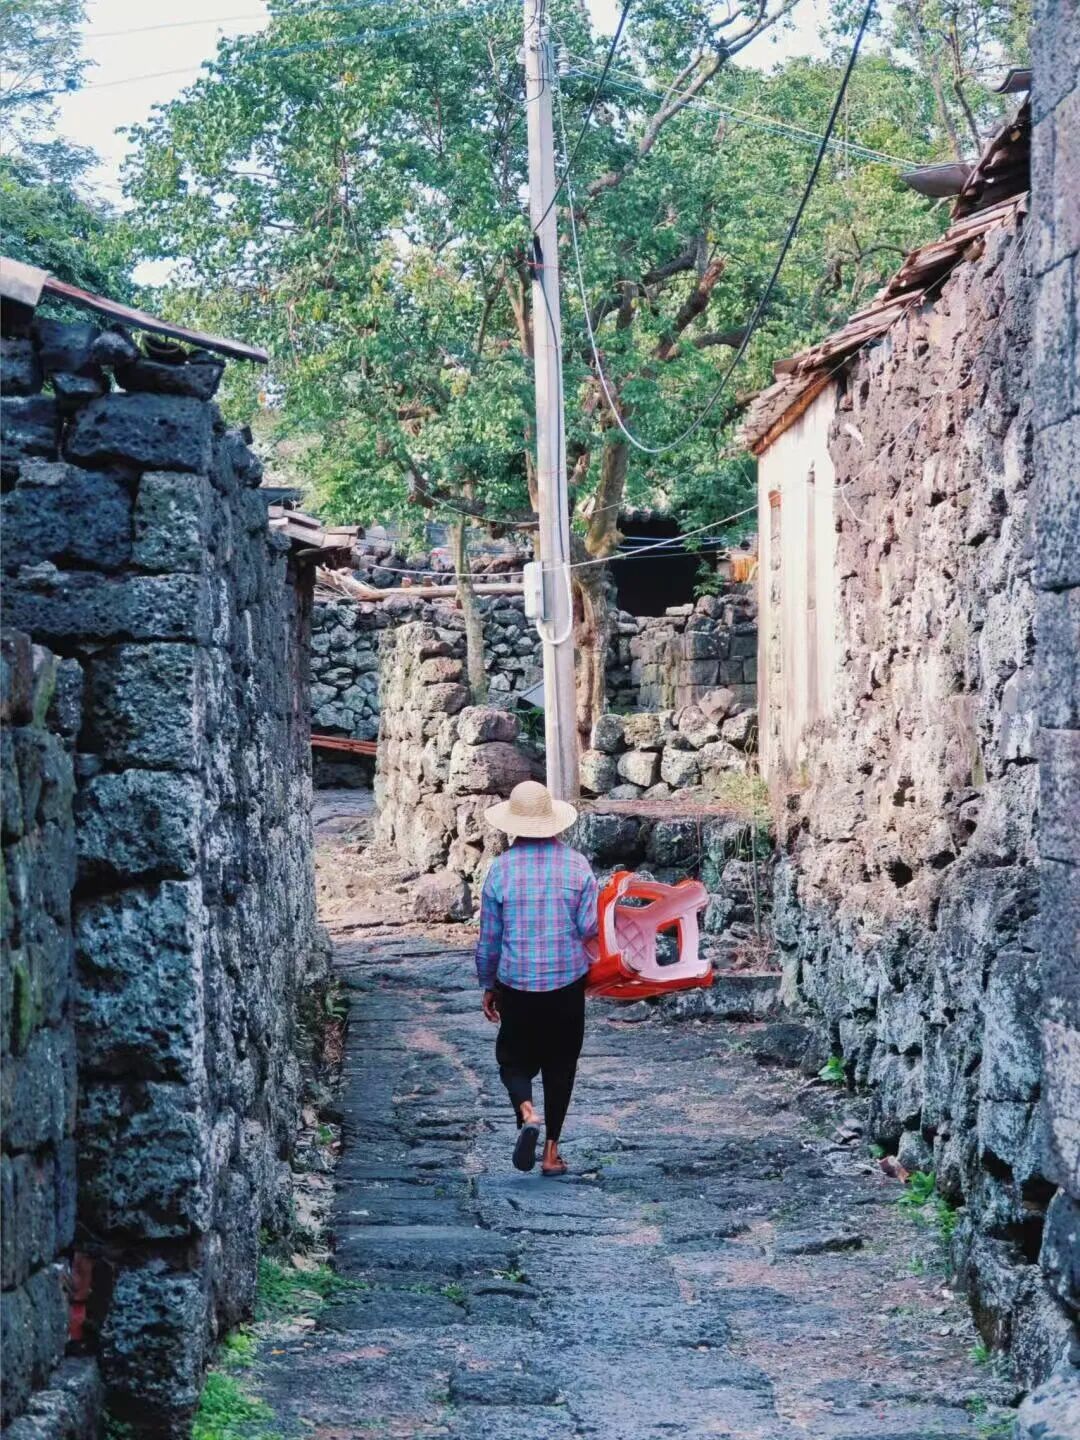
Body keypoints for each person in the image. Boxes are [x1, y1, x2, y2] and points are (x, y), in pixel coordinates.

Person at [474, 780, 599, 1177]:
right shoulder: (578, 866)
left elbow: (489, 939)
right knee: (561, 1066)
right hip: (566, 984)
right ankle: (551, 1154)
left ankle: (528, 1113)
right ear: (554, 823)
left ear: (514, 825)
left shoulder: (500, 871)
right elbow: (589, 927)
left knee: (512, 1060)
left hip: (516, 984)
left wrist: (488, 984)